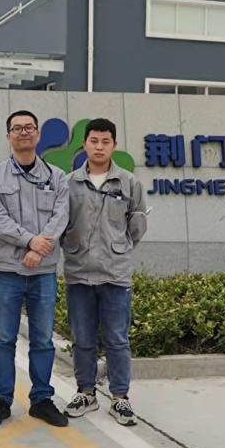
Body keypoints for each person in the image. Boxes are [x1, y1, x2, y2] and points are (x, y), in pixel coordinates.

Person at [0, 110, 70, 429]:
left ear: (38, 134)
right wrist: (31, 241)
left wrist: (39, 248)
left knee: (43, 339)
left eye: (29, 127)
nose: (23, 132)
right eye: (17, 128)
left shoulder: (57, 177)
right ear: (8, 136)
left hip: (43, 271)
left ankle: (42, 399)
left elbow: (60, 216)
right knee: (4, 338)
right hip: (8, 270)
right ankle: (1, 400)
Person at [61, 118, 148, 426]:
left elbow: (137, 226)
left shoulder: (129, 183)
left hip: (115, 274)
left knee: (117, 339)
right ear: (84, 144)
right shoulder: (68, 183)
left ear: (114, 145)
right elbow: (60, 225)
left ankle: (120, 397)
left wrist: (117, 249)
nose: (99, 147)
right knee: (82, 338)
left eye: (105, 141)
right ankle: (86, 392)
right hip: (79, 273)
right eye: (94, 141)